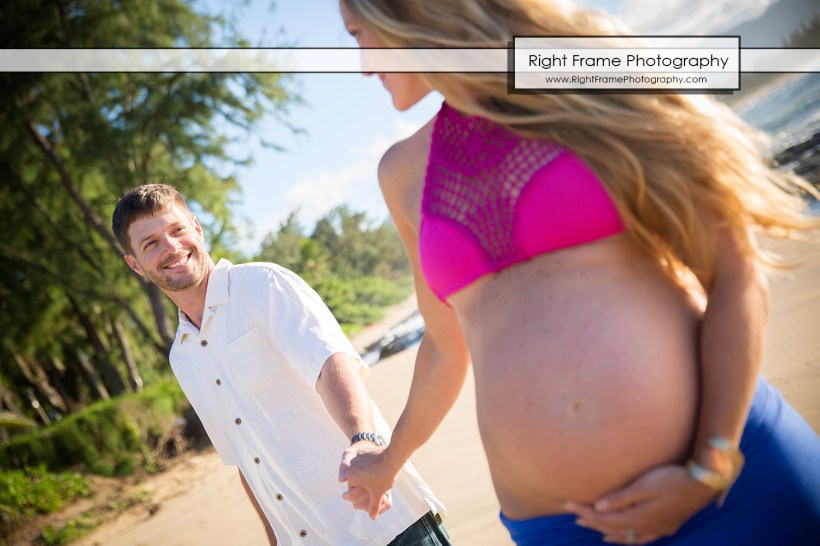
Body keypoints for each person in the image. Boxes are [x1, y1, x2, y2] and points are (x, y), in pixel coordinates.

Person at [335, 1, 820, 544]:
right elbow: (447, 348)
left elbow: (735, 269)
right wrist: (388, 459)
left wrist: (711, 463)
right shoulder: (401, 173)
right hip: (561, 529)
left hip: (737, 484)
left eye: (359, 33)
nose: (361, 66)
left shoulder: (588, 77)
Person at [112, 183, 451, 546]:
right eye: (151, 244)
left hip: (383, 523)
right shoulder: (183, 356)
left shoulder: (262, 285)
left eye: (177, 230)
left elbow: (330, 363)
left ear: (197, 228)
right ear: (135, 264)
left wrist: (363, 439)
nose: (172, 247)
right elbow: (245, 457)